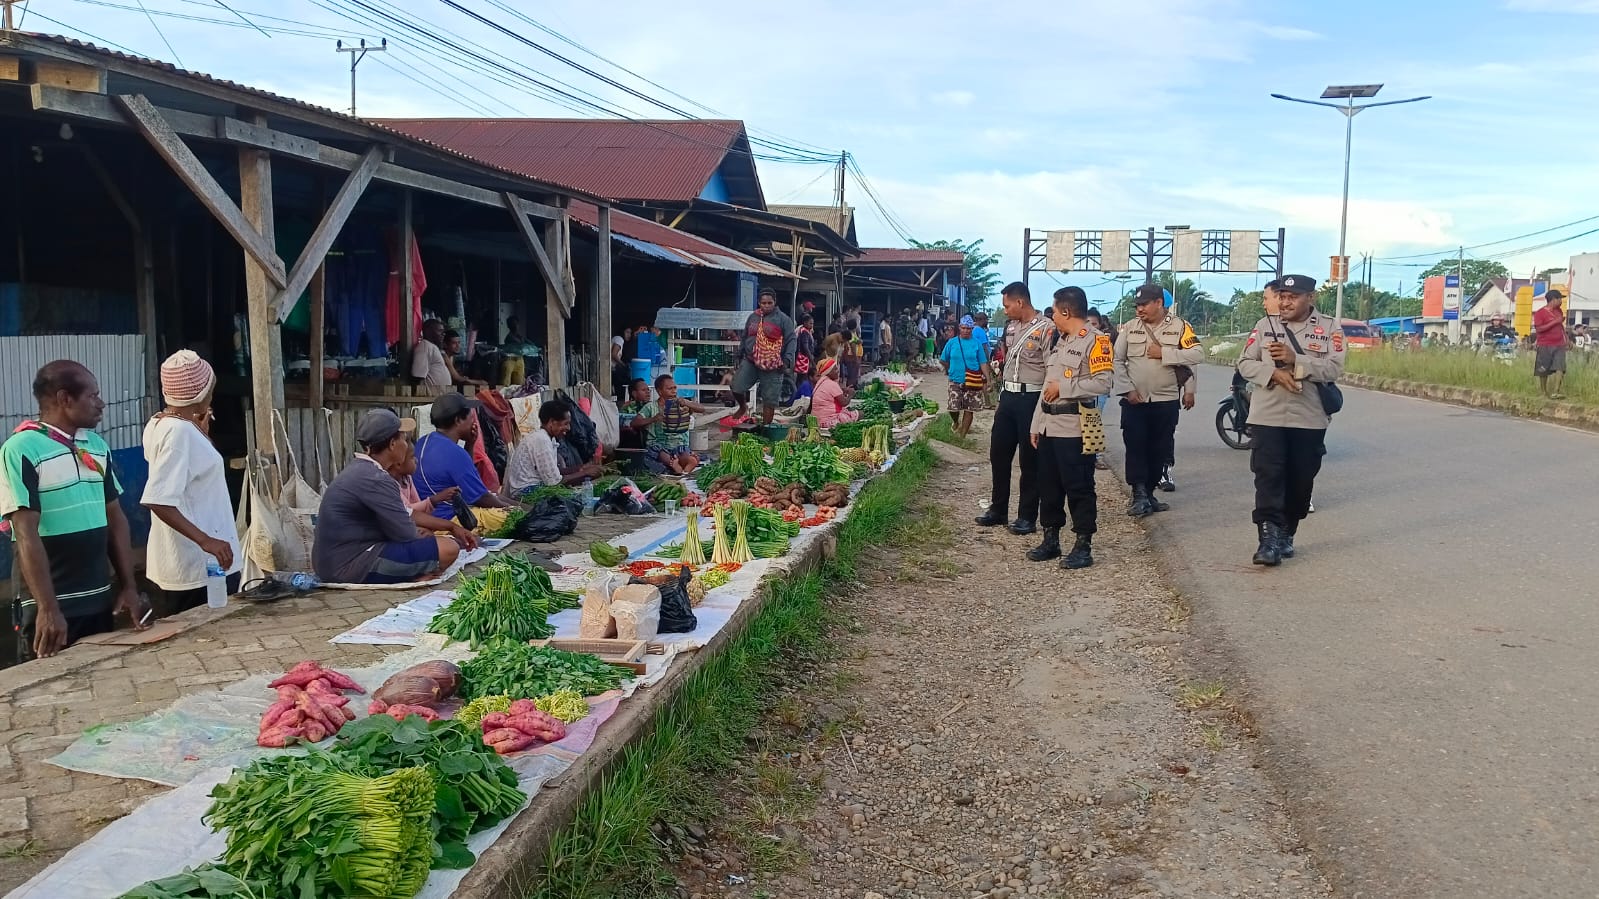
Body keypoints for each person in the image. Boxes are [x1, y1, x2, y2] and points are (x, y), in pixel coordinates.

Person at [1, 361, 149, 660]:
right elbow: (25, 533)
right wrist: (48, 608)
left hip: (97, 599)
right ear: (65, 399)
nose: (101, 404)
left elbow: (115, 519)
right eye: (92, 396)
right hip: (54, 609)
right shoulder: (21, 449)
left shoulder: (94, 445)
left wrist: (129, 586)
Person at [1235, 274, 1345, 566]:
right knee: (1267, 475)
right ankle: (1268, 540)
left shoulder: (1329, 328)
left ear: (1311, 298)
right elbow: (1244, 362)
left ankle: (1287, 532)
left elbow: (1334, 369)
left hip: (1308, 417)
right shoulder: (1264, 326)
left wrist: (1296, 360)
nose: (1285, 302)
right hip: (1267, 414)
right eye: (1282, 296)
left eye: (1292, 297)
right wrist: (1273, 373)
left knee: (1301, 480)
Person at [313, 410, 476, 584]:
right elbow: (405, 533)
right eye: (404, 440)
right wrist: (424, 534)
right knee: (448, 548)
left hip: (332, 563)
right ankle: (410, 576)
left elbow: (408, 513)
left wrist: (451, 527)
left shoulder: (363, 471)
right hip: (349, 565)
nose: (407, 445)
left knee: (435, 540)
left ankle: (409, 572)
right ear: (392, 444)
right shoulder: (376, 478)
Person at [141, 351, 241, 613]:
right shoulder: (179, 433)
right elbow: (158, 499)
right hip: (199, 567)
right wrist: (207, 541)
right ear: (201, 394)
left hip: (189, 564)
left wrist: (202, 436)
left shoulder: (160, 423)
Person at [1026, 286, 1114, 568]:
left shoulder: (1097, 341)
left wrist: (1064, 387)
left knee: (1079, 486)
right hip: (1050, 425)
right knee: (1048, 486)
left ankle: (1082, 544)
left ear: (1066, 311)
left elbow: (1103, 384)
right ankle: (1051, 539)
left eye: (1053, 310)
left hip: (1076, 426)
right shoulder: (1060, 340)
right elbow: (1046, 387)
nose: (1051, 316)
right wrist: (1036, 423)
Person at [1113, 283, 1206, 517]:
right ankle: (1139, 494)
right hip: (1135, 401)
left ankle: (1150, 492)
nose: (1139, 310)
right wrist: (1126, 389)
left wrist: (1165, 353)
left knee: (1160, 448)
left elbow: (1197, 354)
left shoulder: (1180, 327)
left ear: (1159, 303)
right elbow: (1116, 361)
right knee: (1135, 447)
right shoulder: (1130, 329)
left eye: (1144, 304)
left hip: (1165, 400)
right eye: (1137, 306)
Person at [976, 282, 1054, 536]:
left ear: (1020, 302)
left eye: (1007, 305)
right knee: (998, 454)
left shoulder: (1046, 329)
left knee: (1030, 461)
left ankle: (1027, 516)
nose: (1005, 310)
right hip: (1008, 396)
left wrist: (1044, 407)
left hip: (1031, 398)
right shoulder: (1010, 328)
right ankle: (998, 509)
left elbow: (1050, 369)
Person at [413, 393, 521, 520]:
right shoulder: (455, 452)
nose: (474, 420)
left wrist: (470, 444)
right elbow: (481, 498)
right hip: (448, 516)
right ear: (458, 420)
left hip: (425, 515)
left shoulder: (423, 441)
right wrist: (513, 510)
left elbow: (464, 479)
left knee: (499, 499)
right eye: (471, 416)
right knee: (508, 514)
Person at [724, 288, 795, 426]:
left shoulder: (783, 320)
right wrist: (739, 354)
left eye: (770, 303)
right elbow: (745, 336)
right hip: (751, 360)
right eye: (764, 303)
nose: (766, 306)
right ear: (759, 303)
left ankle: (765, 428)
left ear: (775, 302)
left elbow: (791, 340)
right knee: (736, 386)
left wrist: (787, 360)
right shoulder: (753, 317)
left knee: (769, 399)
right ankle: (743, 407)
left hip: (773, 364)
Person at [505, 400, 604, 494]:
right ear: (552, 422)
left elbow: (554, 472)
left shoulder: (548, 438)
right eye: (566, 423)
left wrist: (581, 468)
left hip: (536, 486)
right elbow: (554, 482)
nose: (569, 428)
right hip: (525, 492)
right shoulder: (541, 440)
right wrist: (585, 472)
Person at [633, 375, 709, 474]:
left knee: (690, 459)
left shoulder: (681, 404)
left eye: (675, 388)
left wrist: (686, 402)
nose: (674, 391)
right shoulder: (651, 407)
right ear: (660, 391)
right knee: (663, 456)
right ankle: (675, 465)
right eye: (669, 389)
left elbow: (702, 409)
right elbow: (634, 423)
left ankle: (680, 470)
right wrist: (653, 419)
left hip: (679, 446)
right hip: (659, 445)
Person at [940, 316, 991, 437]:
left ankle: (962, 435)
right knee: (953, 407)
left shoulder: (976, 344)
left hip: (973, 381)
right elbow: (943, 359)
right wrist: (949, 369)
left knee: (969, 409)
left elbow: (983, 362)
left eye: (969, 328)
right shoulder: (952, 342)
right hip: (955, 380)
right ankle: (956, 422)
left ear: (972, 329)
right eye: (964, 328)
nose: (966, 331)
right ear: (959, 328)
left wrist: (988, 379)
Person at [1533, 290, 1569, 398]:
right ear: (1554, 299)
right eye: (1559, 299)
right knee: (1543, 369)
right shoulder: (1540, 313)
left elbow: (1560, 327)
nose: (1561, 301)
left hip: (1559, 343)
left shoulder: (1559, 311)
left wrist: (1567, 338)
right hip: (1545, 343)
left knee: (1560, 367)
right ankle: (1543, 392)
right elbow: (1539, 329)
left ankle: (1556, 391)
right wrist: (1555, 322)